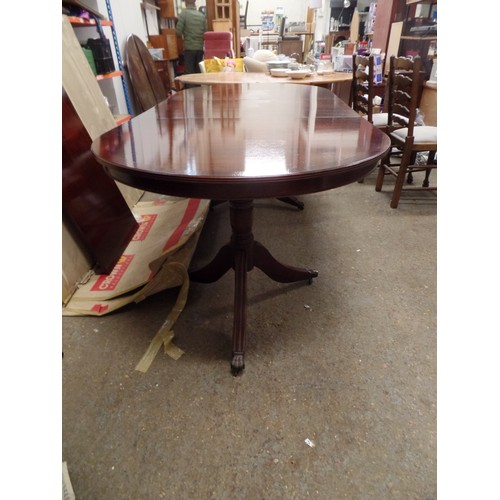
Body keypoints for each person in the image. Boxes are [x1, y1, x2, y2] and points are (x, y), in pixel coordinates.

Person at [175, 0, 207, 75]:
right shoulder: (201, 16)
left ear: (186, 3)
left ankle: (191, 87)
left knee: (189, 73)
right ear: (194, 3)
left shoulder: (183, 14)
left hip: (189, 48)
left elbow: (178, 32)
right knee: (198, 72)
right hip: (200, 48)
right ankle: (199, 87)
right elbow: (205, 33)